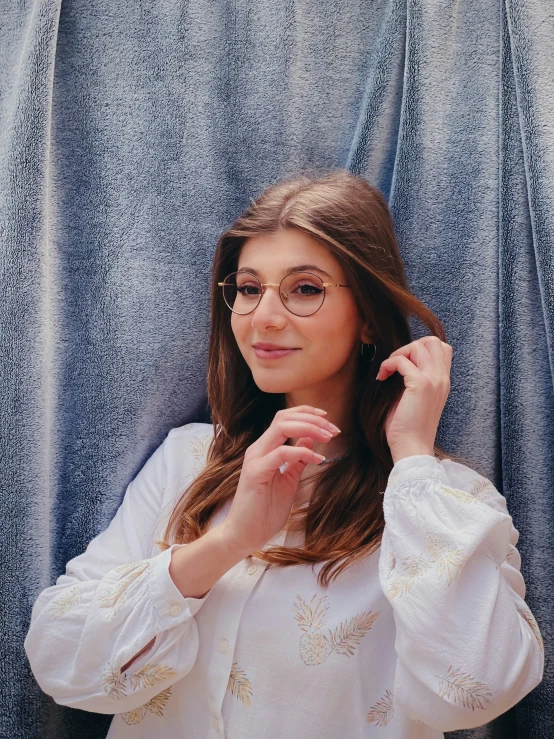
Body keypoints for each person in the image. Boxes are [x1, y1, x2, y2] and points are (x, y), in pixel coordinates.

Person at [25, 171, 544, 738]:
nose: (263, 317)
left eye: (304, 289)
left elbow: (474, 693)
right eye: (248, 289)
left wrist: (413, 460)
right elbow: (58, 659)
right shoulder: (188, 461)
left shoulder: (448, 502)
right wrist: (226, 544)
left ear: (368, 314)